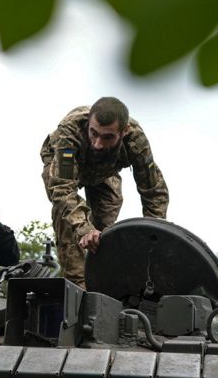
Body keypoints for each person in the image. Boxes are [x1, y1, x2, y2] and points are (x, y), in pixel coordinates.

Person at [39, 96, 169, 287]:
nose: (98, 143)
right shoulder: (69, 131)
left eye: (107, 137)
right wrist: (84, 228)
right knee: (70, 222)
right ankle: (78, 286)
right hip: (64, 168)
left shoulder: (136, 141)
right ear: (88, 123)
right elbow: (63, 189)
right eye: (93, 133)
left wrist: (153, 240)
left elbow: (154, 191)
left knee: (104, 235)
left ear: (124, 132)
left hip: (105, 172)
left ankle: (105, 285)